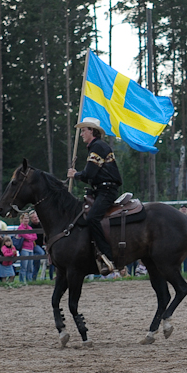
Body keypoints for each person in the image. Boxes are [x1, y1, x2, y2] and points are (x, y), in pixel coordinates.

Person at [67, 117, 123, 276]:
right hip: (100, 189)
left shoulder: (97, 146)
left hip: (106, 190)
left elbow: (90, 173)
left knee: (92, 218)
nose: (81, 134)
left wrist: (75, 174)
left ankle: (107, 255)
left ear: (92, 131)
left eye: (84, 130)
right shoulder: (96, 146)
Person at [16, 212, 38, 283]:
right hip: (24, 249)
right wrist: (30, 237)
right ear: (22, 219)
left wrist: (29, 237)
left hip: (31, 248)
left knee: (30, 267)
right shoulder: (20, 228)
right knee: (24, 267)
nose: (26, 220)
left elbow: (35, 237)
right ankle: (22, 281)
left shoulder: (30, 228)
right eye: (25, 218)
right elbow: (26, 236)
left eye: (27, 218)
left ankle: (29, 280)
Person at [29, 210, 47, 280]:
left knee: (37, 264)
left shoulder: (42, 224)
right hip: (34, 245)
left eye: (36, 217)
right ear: (31, 219)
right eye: (34, 217)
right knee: (40, 255)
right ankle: (34, 278)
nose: (36, 218)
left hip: (42, 245)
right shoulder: (31, 226)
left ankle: (36, 278)